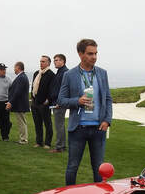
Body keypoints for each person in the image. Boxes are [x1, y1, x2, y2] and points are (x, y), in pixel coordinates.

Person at [57, 38, 112, 185]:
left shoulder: (102, 73)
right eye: (90, 54)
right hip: (78, 128)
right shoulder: (69, 75)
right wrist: (77, 101)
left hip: (98, 128)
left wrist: (107, 120)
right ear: (80, 54)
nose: (94, 57)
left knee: (99, 169)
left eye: (95, 53)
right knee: (72, 167)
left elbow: (107, 99)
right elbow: (61, 100)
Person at [30, 55, 54, 148]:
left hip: (44, 103)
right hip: (35, 102)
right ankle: (39, 142)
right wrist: (32, 97)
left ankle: (47, 143)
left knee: (47, 124)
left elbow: (52, 89)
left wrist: (48, 100)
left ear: (48, 63)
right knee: (37, 124)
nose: (41, 63)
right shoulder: (36, 73)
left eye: (43, 61)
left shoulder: (51, 74)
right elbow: (33, 86)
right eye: (40, 61)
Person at [6, 62, 29, 144]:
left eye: (14, 67)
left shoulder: (21, 77)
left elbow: (17, 92)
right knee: (22, 122)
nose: (14, 69)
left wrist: (11, 102)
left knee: (21, 122)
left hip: (20, 104)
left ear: (18, 67)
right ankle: (23, 138)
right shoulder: (22, 77)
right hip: (20, 104)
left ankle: (23, 139)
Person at [49, 54, 68, 153]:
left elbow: (63, 90)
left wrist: (59, 102)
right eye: (54, 60)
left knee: (59, 125)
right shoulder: (60, 72)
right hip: (56, 102)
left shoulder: (64, 72)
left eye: (56, 60)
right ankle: (61, 146)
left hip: (59, 103)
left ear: (62, 61)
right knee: (59, 125)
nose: (54, 62)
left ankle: (60, 147)